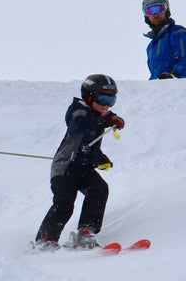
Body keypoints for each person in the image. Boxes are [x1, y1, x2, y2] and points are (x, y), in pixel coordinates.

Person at [34, 74, 126, 251]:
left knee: (99, 189)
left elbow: (88, 143)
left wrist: (99, 158)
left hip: (83, 168)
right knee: (65, 202)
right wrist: (107, 119)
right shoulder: (78, 111)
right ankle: (45, 239)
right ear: (89, 96)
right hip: (65, 167)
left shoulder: (97, 116)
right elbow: (81, 125)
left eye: (112, 100)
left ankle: (86, 232)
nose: (107, 105)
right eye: (103, 99)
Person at [142, 0, 186, 80]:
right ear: (146, 15)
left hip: (176, 86)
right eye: (150, 11)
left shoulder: (178, 33)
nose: (155, 14)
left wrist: (174, 75)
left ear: (166, 10)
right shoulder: (151, 46)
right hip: (157, 88)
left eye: (158, 9)